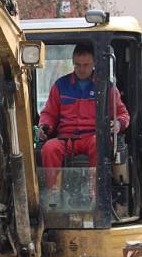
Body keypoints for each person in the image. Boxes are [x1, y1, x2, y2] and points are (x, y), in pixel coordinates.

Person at [37, 43, 129, 188]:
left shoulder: (106, 87)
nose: (81, 69)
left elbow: (122, 114)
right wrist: (44, 126)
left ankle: (95, 192)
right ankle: (52, 194)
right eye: (77, 65)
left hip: (93, 136)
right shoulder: (61, 86)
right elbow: (49, 113)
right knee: (49, 148)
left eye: (86, 65)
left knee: (100, 143)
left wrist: (118, 124)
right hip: (66, 138)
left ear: (94, 63)